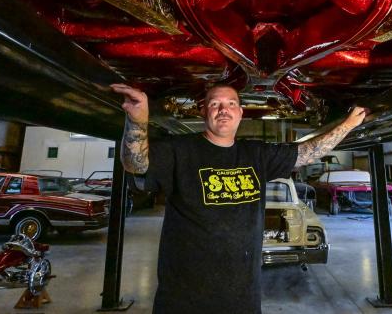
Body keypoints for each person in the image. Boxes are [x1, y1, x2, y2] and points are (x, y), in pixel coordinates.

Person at [110, 83, 367, 314]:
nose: (224, 110)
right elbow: (135, 164)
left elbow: (308, 154)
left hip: (242, 299)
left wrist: (348, 125)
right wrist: (137, 120)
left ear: (241, 113)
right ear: (204, 112)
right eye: (215, 104)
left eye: (231, 104)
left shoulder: (255, 154)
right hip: (183, 299)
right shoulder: (179, 150)